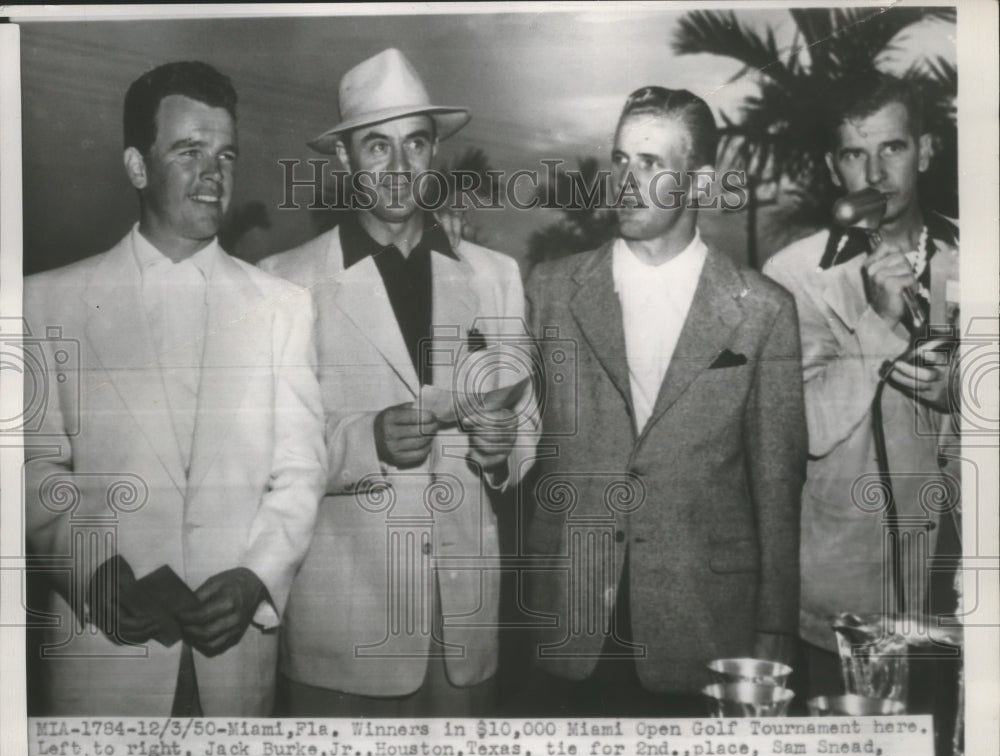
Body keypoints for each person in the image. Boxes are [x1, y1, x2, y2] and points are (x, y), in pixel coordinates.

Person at [23, 61, 327, 716]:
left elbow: (302, 469)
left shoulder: (285, 307)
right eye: (189, 152)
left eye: (225, 155)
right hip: (103, 662)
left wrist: (256, 577)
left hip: (236, 667)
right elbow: (29, 465)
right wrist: (90, 568)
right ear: (137, 166)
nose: (213, 174)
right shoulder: (43, 303)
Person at [261, 48, 538, 716]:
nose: (398, 167)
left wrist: (505, 450)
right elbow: (263, 458)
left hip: (464, 630)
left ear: (434, 152)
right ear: (345, 161)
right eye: (376, 147)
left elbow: (527, 423)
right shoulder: (284, 281)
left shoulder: (493, 273)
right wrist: (369, 440)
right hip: (344, 633)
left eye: (414, 144)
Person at [521, 86, 807, 716]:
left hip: (705, 630)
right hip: (569, 625)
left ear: (700, 183)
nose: (626, 180)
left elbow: (779, 488)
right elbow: (520, 445)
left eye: (651, 164)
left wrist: (776, 627)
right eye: (621, 160)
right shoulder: (551, 290)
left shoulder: (762, 311)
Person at [763, 71, 961, 694]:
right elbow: (804, 429)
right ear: (833, 167)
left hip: (961, 566)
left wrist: (963, 398)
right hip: (853, 582)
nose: (875, 174)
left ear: (925, 150)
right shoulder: (794, 276)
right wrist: (877, 320)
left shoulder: (981, 256)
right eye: (855, 153)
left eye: (893, 148)